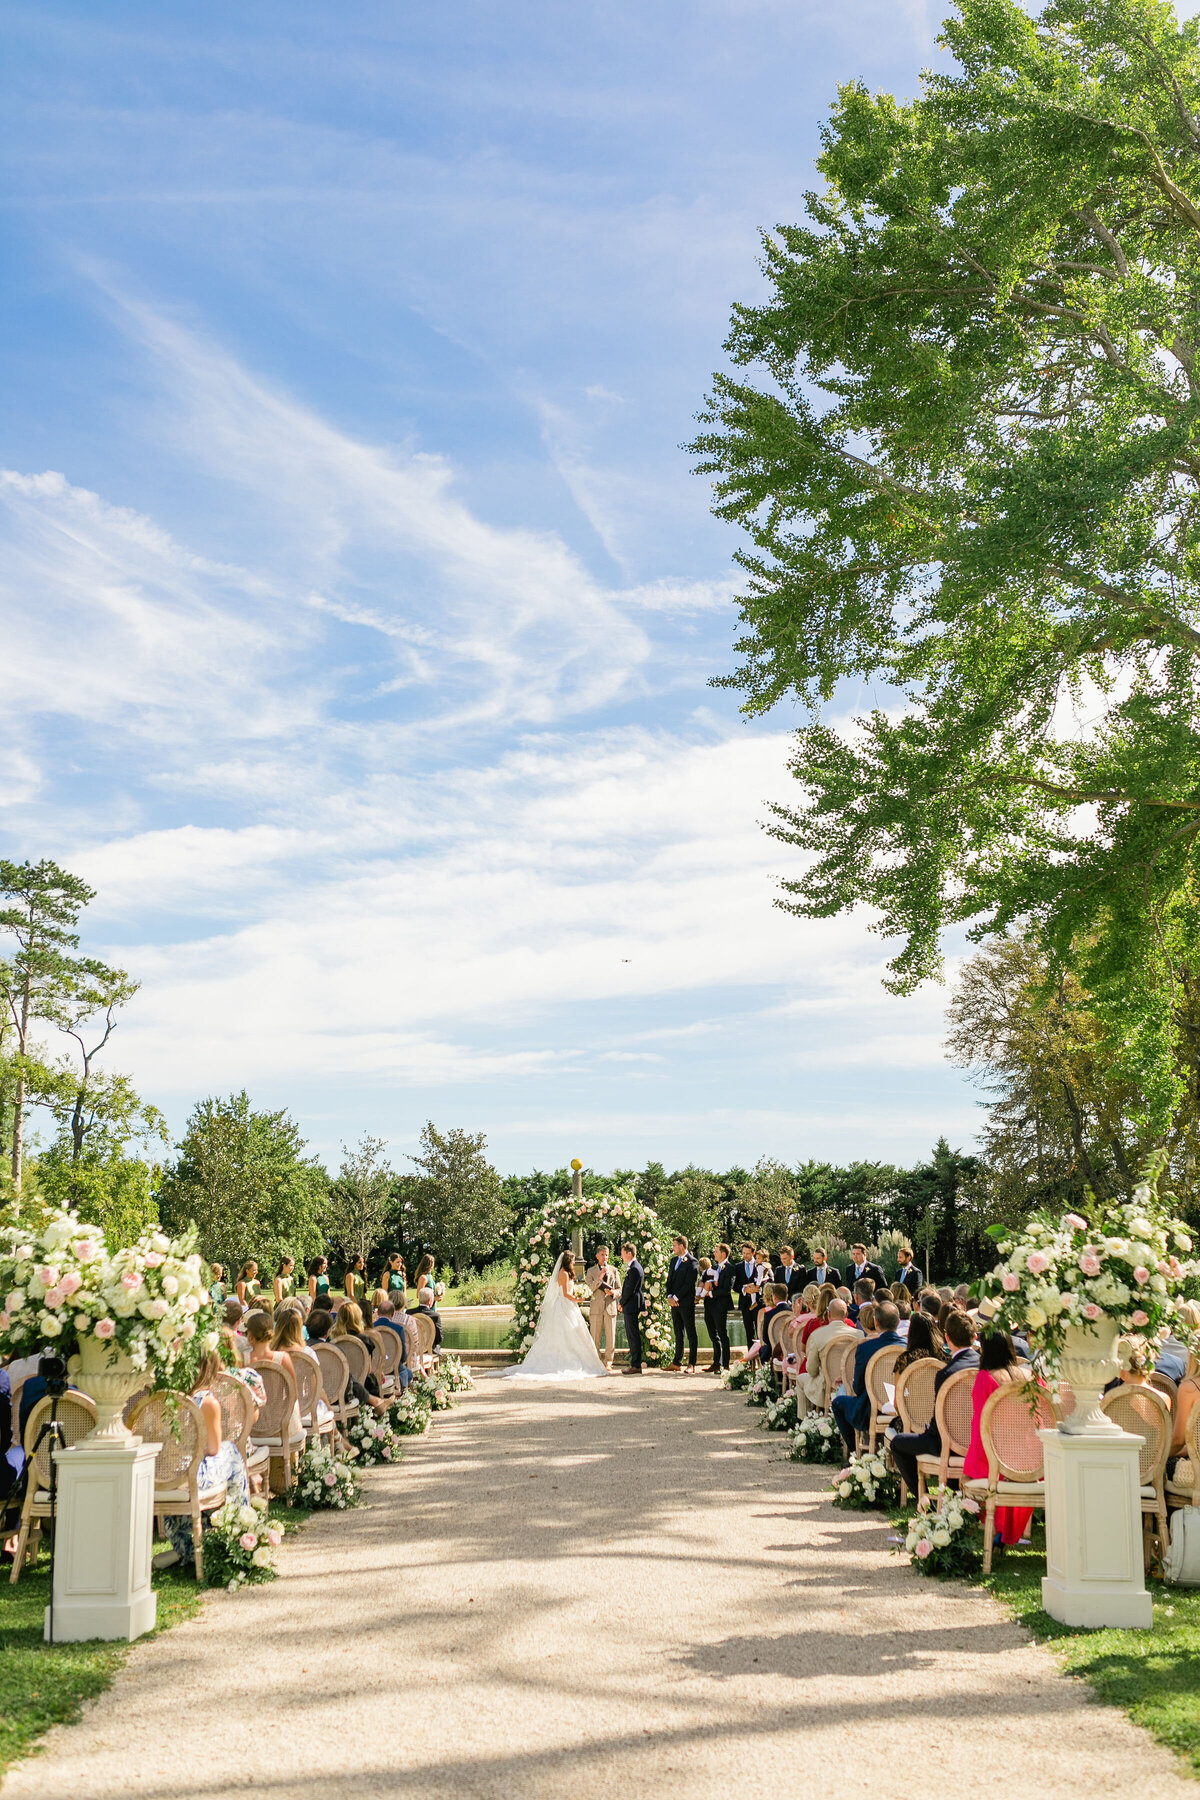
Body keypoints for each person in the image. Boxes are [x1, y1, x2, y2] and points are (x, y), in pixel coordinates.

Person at [153, 1348, 250, 1572]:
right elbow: (214, 1448)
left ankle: (186, 1547)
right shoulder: (207, 1402)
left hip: (164, 1472)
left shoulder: (164, 1398)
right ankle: (239, 1526)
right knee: (231, 1452)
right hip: (191, 1475)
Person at [889, 1311, 979, 1496]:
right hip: (978, 1440)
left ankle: (920, 1497)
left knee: (898, 1442)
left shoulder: (947, 1373)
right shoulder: (985, 1366)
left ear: (947, 1336)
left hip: (947, 1441)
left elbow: (940, 1420)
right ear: (974, 1336)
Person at [964, 1331, 1033, 1549]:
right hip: (1027, 1459)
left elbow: (980, 1426)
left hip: (993, 1457)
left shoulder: (986, 1378)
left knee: (965, 1477)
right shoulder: (1028, 1376)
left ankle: (989, 1526)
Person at [500, 1251, 608, 1381]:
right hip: (565, 1305)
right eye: (573, 1260)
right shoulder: (563, 1273)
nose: (574, 1262)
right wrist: (578, 1299)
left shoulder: (566, 1273)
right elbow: (566, 1293)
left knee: (574, 1332)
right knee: (566, 1332)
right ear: (568, 1261)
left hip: (569, 1305)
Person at [832, 1300, 903, 1457]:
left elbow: (857, 1388)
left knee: (838, 1403)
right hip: (903, 1409)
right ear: (898, 1323)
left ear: (876, 1323)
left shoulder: (865, 1348)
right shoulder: (907, 1347)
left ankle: (853, 1451)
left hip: (871, 1408)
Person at [272, 1308, 338, 1431]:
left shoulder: (271, 1353)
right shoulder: (307, 1353)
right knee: (325, 1407)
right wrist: (329, 1407)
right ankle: (338, 1439)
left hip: (276, 1409)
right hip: (303, 1408)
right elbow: (315, 1388)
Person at [798, 1298, 857, 1410]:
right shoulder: (858, 1334)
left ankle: (804, 1422)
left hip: (825, 1385)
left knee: (800, 1379)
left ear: (829, 1314)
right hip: (851, 1384)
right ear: (846, 1314)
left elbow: (812, 1369)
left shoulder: (817, 1335)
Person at [666, 1236, 699, 1372]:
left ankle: (692, 1364)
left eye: (674, 1245)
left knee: (691, 1332)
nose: (673, 1248)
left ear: (681, 1246)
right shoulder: (674, 1261)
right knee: (678, 1332)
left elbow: (689, 1284)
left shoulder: (693, 1262)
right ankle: (677, 1362)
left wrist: (676, 1296)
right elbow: (669, 1280)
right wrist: (669, 1296)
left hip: (685, 1303)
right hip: (674, 1303)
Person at [585, 1244, 620, 1370]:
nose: (605, 1257)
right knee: (595, 1335)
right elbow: (589, 1289)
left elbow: (620, 1289)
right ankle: (596, 1360)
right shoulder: (590, 1271)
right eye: (602, 1255)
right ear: (597, 1256)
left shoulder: (614, 1270)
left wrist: (613, 1293)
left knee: (611, 1336)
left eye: (607, 1255)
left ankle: (609, 1361)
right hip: (596, 1308)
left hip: (610, 1306)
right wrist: (600, 1277)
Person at [374, 1297, 414, 1390]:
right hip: (394, 1367)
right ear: (392, 1314)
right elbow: (403, 1355)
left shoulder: (371, 1328)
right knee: (408, 1373)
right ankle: (401, 1393)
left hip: (375, 1367)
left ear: (378, 1313)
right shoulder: (398, 1329)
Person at [619, 1243, 647, 1374]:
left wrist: (621, 1303)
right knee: (632, 1334)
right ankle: (635, 1363)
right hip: (632, 1305)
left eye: (623, 1253)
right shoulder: (635, 1267)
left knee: (633, 1335)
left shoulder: (635, 1268)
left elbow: (629, 1289)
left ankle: (636, 1365)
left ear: (629, 1253)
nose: (621, 1256)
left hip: (631, 1305)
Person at [707, 1245, 735, 1373]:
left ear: (723, 1254)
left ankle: (726, 1365)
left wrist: (712, 1293)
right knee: (713, 1335)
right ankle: (716, 1363)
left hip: (720, 1305)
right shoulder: (713, 1267)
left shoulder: (729, 1268)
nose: (714, 1253)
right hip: (709, 1305)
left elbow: (726, 1289)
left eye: (716, 1251)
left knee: (722, 1334)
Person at [894, 1311, 946, 1376]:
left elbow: (898, 1385)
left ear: (912, 1332)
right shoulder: (944, 1357)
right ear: (934, 1332)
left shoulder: (904, 1360)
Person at [732, 1243, 760, 1348]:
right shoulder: (738, 1267)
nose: (745, 1255)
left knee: (759, 1331)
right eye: (743, 1253)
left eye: (748, 1253)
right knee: (749, 1332)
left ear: (753, 1253)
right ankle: (750, 1359)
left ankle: (762, 1360)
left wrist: (757, 1289)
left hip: (758, 1303)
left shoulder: (759, 1265)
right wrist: (744, 1289)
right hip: (745, 1304)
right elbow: (734, 1286)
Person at [413, 1254, 444, 1348]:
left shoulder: (430, 1276)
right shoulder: (423, 1277)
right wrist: (434, 1298)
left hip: (432, 1305)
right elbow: (419, 1294)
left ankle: (431, 1345)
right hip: (426, 1307)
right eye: (432, 1263)